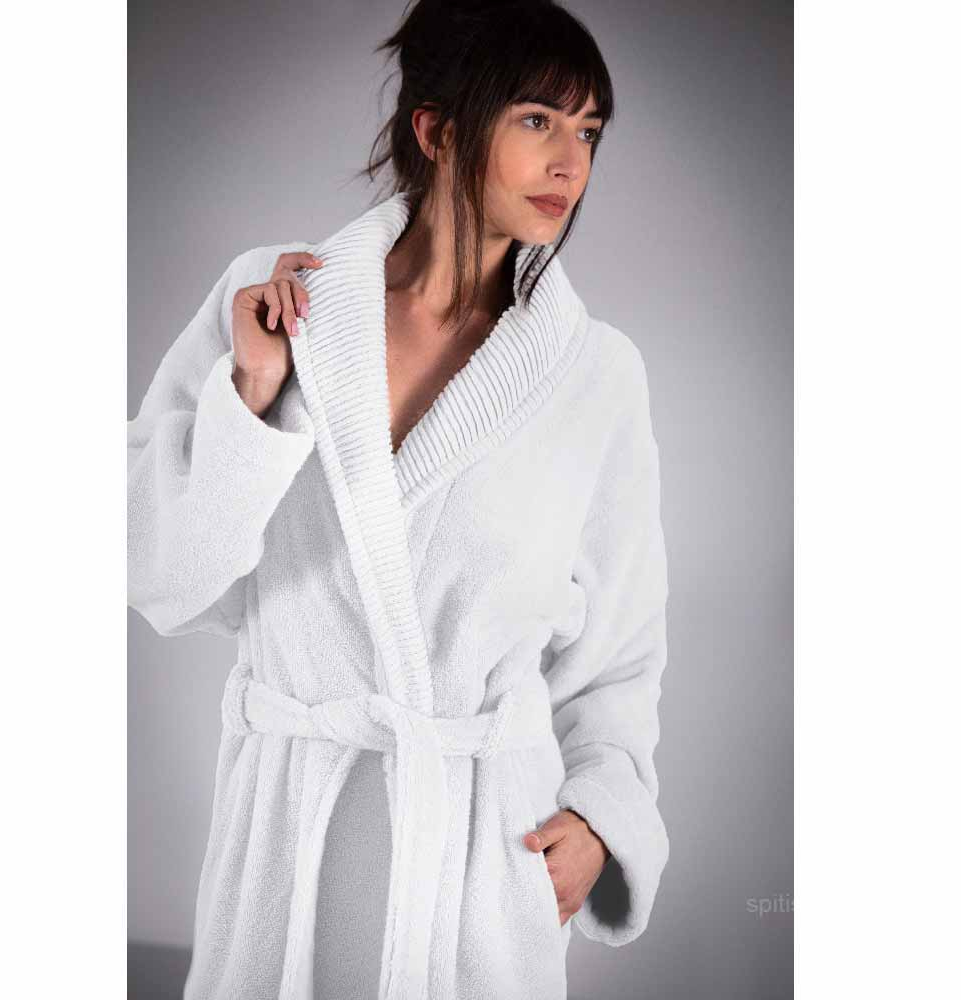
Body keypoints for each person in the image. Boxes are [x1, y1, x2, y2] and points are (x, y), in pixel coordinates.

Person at [127, 1, 671, 997]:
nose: (571, 162)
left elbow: (620, 656)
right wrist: (251, 393)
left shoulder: (596, 374)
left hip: (479, 866)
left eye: (588, 131)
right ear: (437, 130)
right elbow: (159, 575)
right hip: (290, 846)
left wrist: (603, 818)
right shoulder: (280, 307)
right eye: (537, 120)